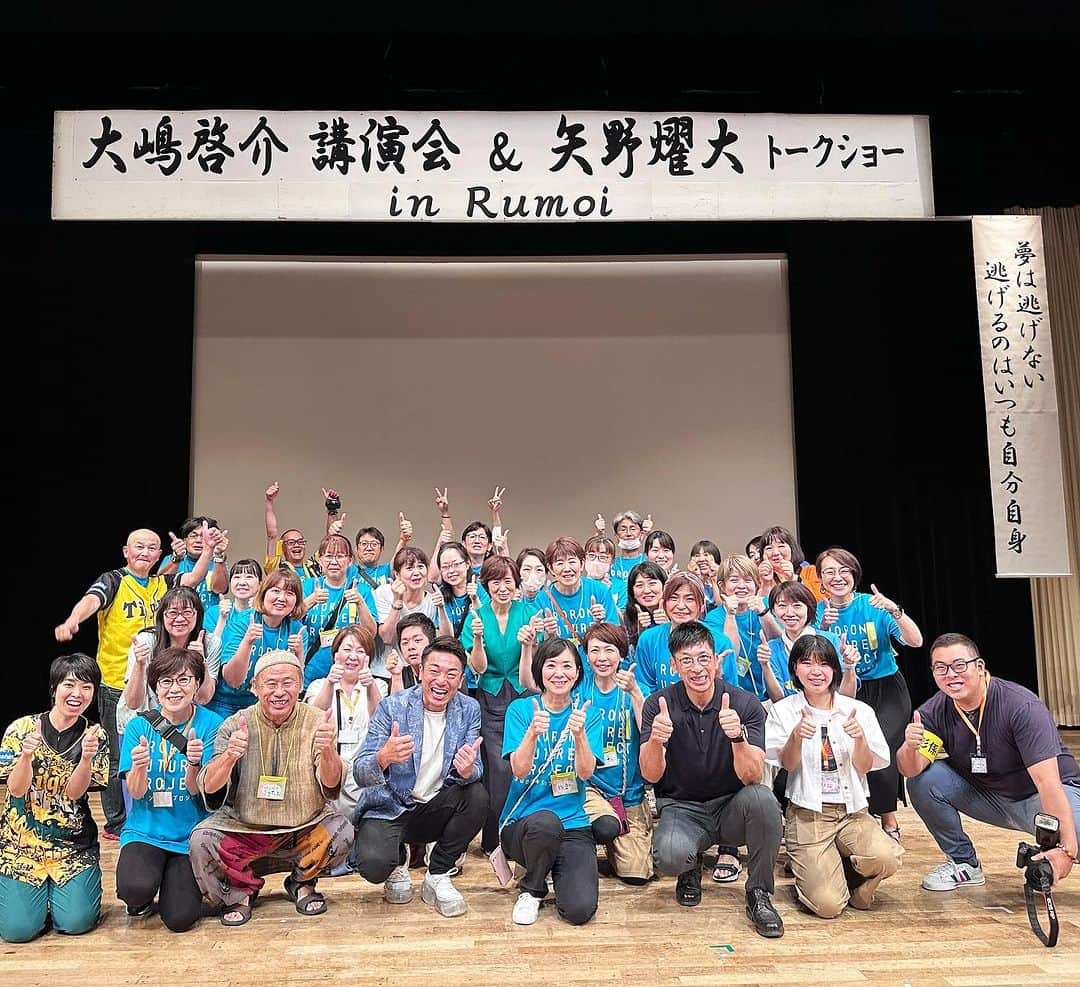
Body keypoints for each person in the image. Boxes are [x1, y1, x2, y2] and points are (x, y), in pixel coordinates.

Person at [54, 523, 223, 839]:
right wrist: (73, 620)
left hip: (165, 685)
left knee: (159, 752)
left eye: (151, 548)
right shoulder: (114, 580)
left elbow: (193, 580)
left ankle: (160, 816)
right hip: (120, 680)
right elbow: (92, 599)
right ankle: (118, 822)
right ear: (126, 552)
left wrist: (210, 550)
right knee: (118, 754)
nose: (145, 553)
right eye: (138, 547)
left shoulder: (162, 585)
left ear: (160, 554)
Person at [899, 632, 1080, 892]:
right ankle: (965, 864)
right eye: (941, 668)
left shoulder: (1020, 706)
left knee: (1075, 840)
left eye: (959, 665)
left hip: (1040, 796)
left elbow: (1048, 783)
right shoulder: (935, 711)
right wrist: (909, 746)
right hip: (990, 797)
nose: (951, 674)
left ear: (980, 667)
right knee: (925, 780)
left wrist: (1065, 848)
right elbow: (911, 769)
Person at [639, 621, 784, 937]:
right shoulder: (658, 705)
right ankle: (689, 869)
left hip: (733, 805)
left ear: (717, 660)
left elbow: (753, 775)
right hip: (682, 808)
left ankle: (759, 893)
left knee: (764, 801)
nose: (696, 667)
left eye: (704, 658)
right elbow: (650, 774)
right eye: (686, 660)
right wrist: (655, 741)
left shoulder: (744, 703)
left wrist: (738, 737)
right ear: (674, 666)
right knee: (669, 856)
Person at [189, 650, 353, 926]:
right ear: (254, 688)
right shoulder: (234, 724)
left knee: (342, 831)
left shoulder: (316, 721)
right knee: (201, 840)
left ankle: (302, 883)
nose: (279, 691)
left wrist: (327, 751)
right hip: (247, 829)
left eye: (288, 683)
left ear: (300, 685)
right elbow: (209, 787)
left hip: (303, 826)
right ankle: (240, 892)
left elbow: (331, 784)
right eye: (271, 684)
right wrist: (230, 756)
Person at [765, 636, 903, 918]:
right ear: (795, 669)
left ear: (835, 670)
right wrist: (796, 737)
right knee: (828, 906)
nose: (816, 671)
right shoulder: (783, 710)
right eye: (807, 663)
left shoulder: (858, 710)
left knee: (887, 857)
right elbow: (788, 765)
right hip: (808, 815)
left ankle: (856, 885)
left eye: (824, 664)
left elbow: (865, 767)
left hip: (853, 813)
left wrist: (860, 738)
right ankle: (819, 874)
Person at [352, 637, 487, 917]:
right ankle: (397, 862)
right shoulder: (393, 707)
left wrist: (466, 770)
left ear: (462, 678)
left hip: (435, 807)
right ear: (420, 672)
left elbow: (476, 769)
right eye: (434, 671)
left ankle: (438, 873)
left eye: (451, 674)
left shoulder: (469, 709)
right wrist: (383, 757)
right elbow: (361, 771)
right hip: (390, 808)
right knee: (373, 866)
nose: (442, 681)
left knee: (477, 795)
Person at [816, 547, 923, 841]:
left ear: (854, 574)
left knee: (881, 747)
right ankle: (859, 816)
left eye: (844, 571)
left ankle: (889, 818)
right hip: (845, 691)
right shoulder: (818, 613)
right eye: (829, 572)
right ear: (821, 579)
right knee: (847, 751)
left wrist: (894, 610)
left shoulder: (873, 606)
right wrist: (821, 628)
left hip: (886, 688)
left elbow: (915, 640)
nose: (837, 577)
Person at [0, 654, 109, 942]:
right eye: (69, 685)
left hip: (72, 847)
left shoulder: (95, 736)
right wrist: (26, 756)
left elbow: (74, 794)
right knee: (17, 932)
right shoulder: (20, 729)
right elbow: (15, 790)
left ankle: (60, 899)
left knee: (77, 923)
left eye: (86, 687)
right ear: (54, 688)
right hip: (21, 846)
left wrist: (86, 758)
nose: (77, 694)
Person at [500, 637, 606, 926]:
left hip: (572, 822)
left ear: (578, 672)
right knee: (546, 823)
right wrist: (532, 734)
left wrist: (581, 735)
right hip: (524, 824)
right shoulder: (521, 710)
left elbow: (585, 773)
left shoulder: (589, 714)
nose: (559, 673)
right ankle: (532, 889)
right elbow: (519, 771)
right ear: (540, 670)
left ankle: (548, 864)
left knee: (580, 910)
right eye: (551, 665)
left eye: (567, 666)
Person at [116, 647, 223, 931]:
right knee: (134, 890)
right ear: (155, 687)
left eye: (184, 680)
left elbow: (197, 790)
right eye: (166, 681)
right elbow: (137, 793)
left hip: (189, 835)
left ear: (197, 683)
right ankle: (147, 886)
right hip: (146, 831)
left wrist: (194, 764)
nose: (174, 689)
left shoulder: (211, 724)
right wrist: (139, 767)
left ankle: (175, 885)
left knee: (179, 919)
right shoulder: (139, 726)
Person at [460, 555, 541, 853]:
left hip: (522, 697)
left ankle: (524, 832)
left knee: (524, 763)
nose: (502, 587)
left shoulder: (529, 613)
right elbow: (478, 668)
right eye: (496, 582)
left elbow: (534, 667)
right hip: (491, 697)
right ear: (487, 586)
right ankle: (495, 837)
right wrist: (478, 640)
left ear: (516, 583)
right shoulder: (476, 616)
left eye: (508, 581)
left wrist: (528, 644)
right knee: (498, 769)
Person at [577, 623, 652, 885]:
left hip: (628, 792)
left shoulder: (636, 687)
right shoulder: (579, 687)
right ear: (586, 655)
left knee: (636, 874)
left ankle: (615, 849)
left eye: (609, 650)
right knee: (603, 825)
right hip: (589, 787)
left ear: (622, 654)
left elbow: (647, 731)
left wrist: (635, 693)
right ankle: (579, 851)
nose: (601, 657)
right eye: (594, 650)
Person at [305, 626, 386, 815]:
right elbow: (313, 717)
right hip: (329, 769)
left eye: (360, 651)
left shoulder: (378, 685)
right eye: (347, 649)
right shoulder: (319, 685)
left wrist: (370, 685)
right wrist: (330, 683)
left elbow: (380, 718)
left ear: (368, 658)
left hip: (364, 772)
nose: (353, 656)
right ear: (335, 655)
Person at [118, 585, 221, 733]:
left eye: (187, 612)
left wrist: (202, 663)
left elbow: (203, 699)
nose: (180, 618)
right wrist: (140, 665)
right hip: (142, 721)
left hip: (184, 724)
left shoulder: (210, 643)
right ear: (162, 616)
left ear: (198, 614)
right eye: (172, 613)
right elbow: (133, 703)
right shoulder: (146, 641)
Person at [208, 569, 308, 718]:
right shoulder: (242, 622)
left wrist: (298, 653)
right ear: (263, 594)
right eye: (275, 591)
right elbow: (232, 680)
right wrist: (247, 642)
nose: (282, 598)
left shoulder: (297, 630)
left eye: (290, 593)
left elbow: (296, 685)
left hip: (266, 704)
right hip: (225, 702)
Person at [633, 573, 737, 696]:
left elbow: (731, 691)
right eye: (674, 598)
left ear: (702, 606)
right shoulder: (649, 639)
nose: (681, 606)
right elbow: (644, 686)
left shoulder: (720, 642)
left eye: (689, 599)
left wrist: (716, 677)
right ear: (664, 603)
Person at [300, 533, 378, 688]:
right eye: (328, 556)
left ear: (350, 561)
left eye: (340, 556)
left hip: (351, 673)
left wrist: (360, 603)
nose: (334, 561)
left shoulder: (362, 590)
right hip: (311, 672)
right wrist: (310, 601)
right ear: (320, 560)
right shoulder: (308, 586)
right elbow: (289, 620)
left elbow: (371, 633)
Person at [756, 581, 851, 703]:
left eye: (797, 605)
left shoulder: (831, 640)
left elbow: (848, 696)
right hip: (790, 717)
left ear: (809, 608)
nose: (789, 613)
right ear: (773, 611)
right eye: (782, 606)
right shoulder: (771, 648)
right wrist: (765, 666)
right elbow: (778, 700)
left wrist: (850, 666)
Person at [714, 555, 782, 702]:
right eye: (734, 580)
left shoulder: (766, 604)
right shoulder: (714, 618)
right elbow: (729, 656)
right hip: (734, 696)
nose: (741, 586)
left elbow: (781, 644)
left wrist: (763, 612)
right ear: (722, 586)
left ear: (756, 584)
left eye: (747, 580)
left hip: (772, 693)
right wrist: (731, 615)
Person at [536, 536, 620, 646]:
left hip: (593, 662)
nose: (567, 568)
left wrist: (600, 624)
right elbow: (537, 646)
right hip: (560, 661)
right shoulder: (542, 598)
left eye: (572, 561)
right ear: (550, 568)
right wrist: (549, 634)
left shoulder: (600, 591)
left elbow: (616, 638)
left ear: (582, 564)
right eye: (560, 563)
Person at [374, 547, 441, 674]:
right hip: (384, 671)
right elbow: (387, 638)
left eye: (420, 567)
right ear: (397, 574)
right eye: (409, 568)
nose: (416, 573)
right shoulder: (384, 592)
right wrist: (397, 601)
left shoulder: (433, 601)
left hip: (418, 672)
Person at [263, 481, 337, 578]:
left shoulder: (315, 565)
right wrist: (269, 502)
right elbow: (272, 535)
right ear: (282, 548)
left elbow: (331, 539)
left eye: (300, 541)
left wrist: (332, 508)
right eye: (291, 542)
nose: (297, 545)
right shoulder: (277, 568)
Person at [159, 515, 230, 610]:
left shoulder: (218, 561)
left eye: (204, 536)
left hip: (208, 621)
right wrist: (176, 558)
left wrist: (219, 556)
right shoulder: (173, 560)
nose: (198, 541)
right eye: (193, 536)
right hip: (178, 619)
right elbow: (159, 587)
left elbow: (219, 589)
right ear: (185, 541)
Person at [206, 558, 264, 638]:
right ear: (230, 582)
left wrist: (257, 613)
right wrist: (222, 619)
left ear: (260, 584)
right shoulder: (213, 613)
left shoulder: (267, 614)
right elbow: (210, 649)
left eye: (249, 577)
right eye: (237, 577)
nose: (242, 582)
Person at [622, 561, 668, 654]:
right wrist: (641, 632)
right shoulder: (628, 616)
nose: (646, 590)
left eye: (652, 583)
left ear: (664, 586)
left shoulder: (676, 612)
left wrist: (669, 626)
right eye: (639, 585)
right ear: (633, 592)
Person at [386, 613, 438, 694]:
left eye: (417, 640)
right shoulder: (400, 674)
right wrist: (396, 676)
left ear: (431, 643)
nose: (411, 647)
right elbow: (394, 705)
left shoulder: (445, 672)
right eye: (405, 642)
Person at [583, 535, 627, 610]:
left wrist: (605, 593)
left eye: (602, 557)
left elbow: (622, 619)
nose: (596, 561)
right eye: (591, 555)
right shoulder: (578, 585)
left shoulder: (622, 586)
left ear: (612, 561)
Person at [609, 510, 651, 582]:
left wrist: (650, 534)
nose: (628, 533)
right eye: (623, 529)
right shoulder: (610, 563)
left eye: (633, 529)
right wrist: (599, 534)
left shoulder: (650, 560)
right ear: (616, 536)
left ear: (641, 534)